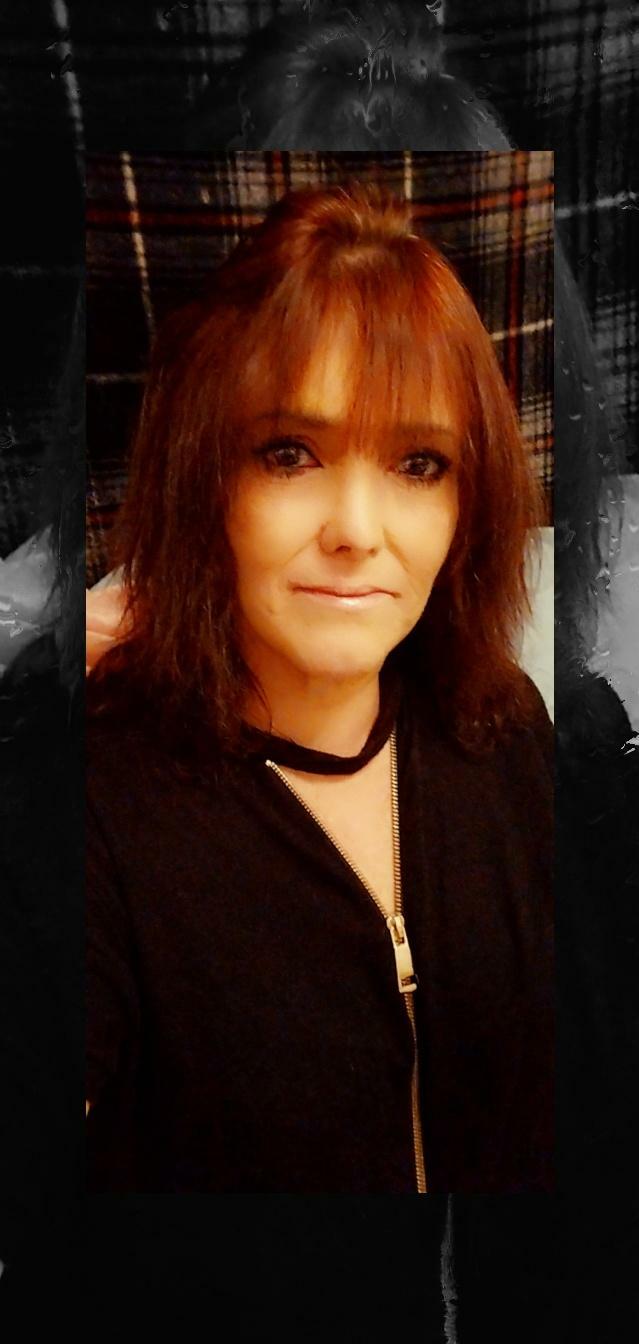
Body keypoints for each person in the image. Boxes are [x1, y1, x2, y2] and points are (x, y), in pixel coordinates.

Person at [85, 181, 552, 1198]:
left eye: (418, 463)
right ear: (204, 478)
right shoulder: (88, 804)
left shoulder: (508, 728)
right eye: (288, 454)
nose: (356, 530)